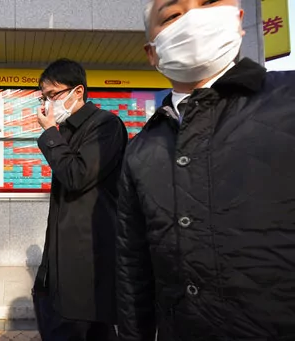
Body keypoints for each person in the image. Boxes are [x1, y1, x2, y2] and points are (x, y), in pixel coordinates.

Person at [115, 0, 295, 340]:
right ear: (151, 52)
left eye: (208, 3)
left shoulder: (288, 99)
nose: (194, 19)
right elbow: (132, 269)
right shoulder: (142, 149)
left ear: (239, 21)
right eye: (173, 15)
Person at [33, 58, 127, 341]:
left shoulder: (106, 126)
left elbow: (76, 175)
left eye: (54, 95)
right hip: (62, 256)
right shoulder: (67, 132)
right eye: (44, 97)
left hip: (90, 258)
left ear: (78, 91)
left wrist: (49, 133)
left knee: (86, 327)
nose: (48, 104)